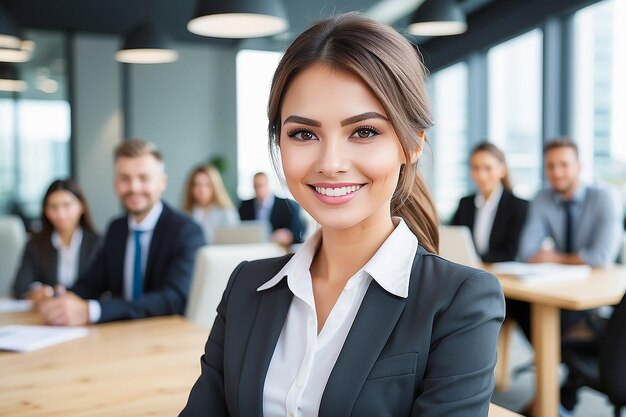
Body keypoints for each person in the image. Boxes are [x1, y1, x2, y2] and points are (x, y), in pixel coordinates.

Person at [180, 14, 504, 417]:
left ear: (412, 145)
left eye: (364, 131)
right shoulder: (247, 286)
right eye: (304, 134)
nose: (331, 163)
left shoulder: (460, 302)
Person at [37, 139, 205, 326]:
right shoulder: (117, 229)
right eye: (125, 178)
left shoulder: (186, 231)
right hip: (119, 335)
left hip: (165, 337)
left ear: (162, 182)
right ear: (116, 183)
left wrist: (92, 311)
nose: (134, 187)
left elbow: (174, 299)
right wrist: (60, 298)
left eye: (143, 178)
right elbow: (93, 282)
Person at [513, 138, 623, 416]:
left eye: (564, 164)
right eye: (551, 166)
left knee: (553, 322)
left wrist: (555, 255)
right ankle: (561, 388)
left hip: (599, 295)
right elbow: (527, 251)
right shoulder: (543, 197)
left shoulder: (605, 196)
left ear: (579, 166)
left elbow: (600, 258)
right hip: (561, 286)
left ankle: (556, 394)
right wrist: (574, 256)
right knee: (514, 301)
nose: (557, 172)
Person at [12, 179, 101, 300]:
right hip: (46, 313)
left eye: (66, 205)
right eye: (53, 207)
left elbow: (103, 287)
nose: (60, 214)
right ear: (46, 211)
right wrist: (40, 291)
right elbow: (20, 286)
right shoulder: (35, 244)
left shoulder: (99, 243)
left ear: (81, 206)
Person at [451, 142, 529, 263]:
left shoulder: (519, 206)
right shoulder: (465, 203)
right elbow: (454, 240)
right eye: (475, 168)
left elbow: (511, 253)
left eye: (488, 168)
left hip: (504, 275)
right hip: (470, 271)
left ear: (502, 170)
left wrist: (476, 260)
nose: (481, 175)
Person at [238, 172, 306, 245]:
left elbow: (299, 231)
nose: (258, 189)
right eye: (255, 186)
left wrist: (287, 235)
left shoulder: (288, 205)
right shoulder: (245, 206)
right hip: (254, 247)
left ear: (268, 185)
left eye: (261, 185)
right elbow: (241, 229)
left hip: (279, 248)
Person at [182, 164, 239, 244]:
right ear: (191, 188)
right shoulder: (185, 213)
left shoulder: (226, 212)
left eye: (207, 185)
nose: (202, 190)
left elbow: (234, 241)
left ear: (215, 186)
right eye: (197, 185)